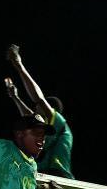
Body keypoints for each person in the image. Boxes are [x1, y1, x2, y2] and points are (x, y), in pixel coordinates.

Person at [6, 44, 74, 179]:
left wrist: (19, 65)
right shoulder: (46, 132)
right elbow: (29, 115)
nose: (34, 111)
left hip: (61, 178)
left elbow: (39, 99)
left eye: (38, 109)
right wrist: (15, 97)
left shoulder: (60, 124)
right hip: (44, 177)